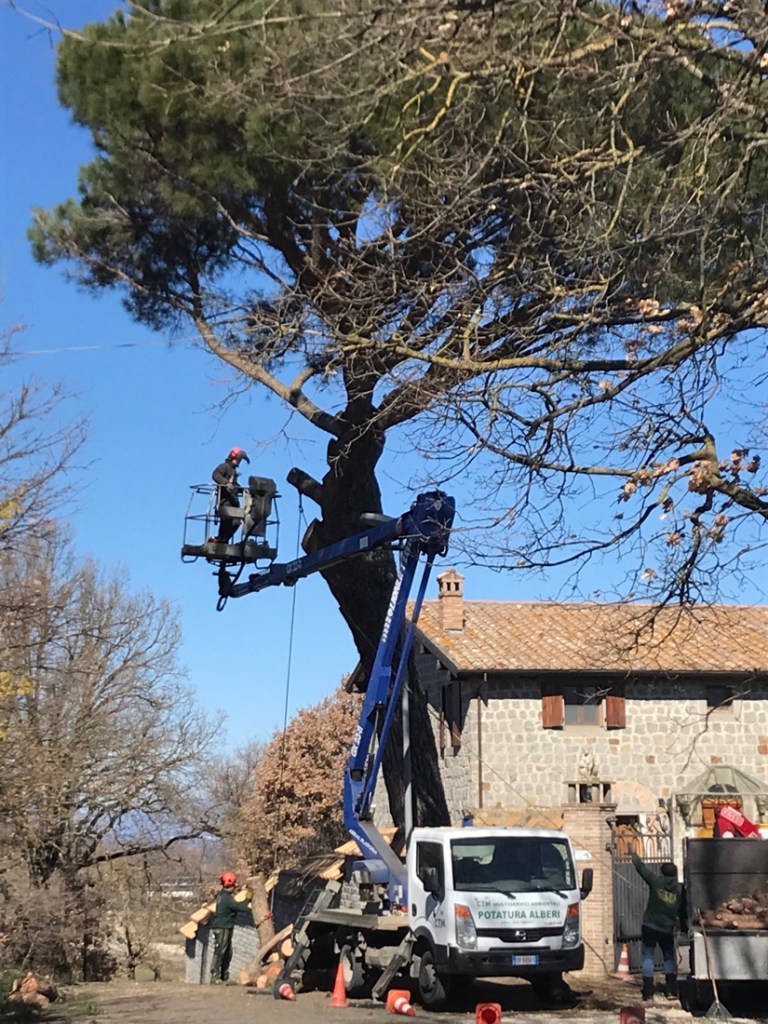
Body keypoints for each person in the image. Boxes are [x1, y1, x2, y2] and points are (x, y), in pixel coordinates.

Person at [631, 850, 685, 1002]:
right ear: (675, 874)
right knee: (669, 957)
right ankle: (671, 991)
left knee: (648, 956)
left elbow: (642, 869)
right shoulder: (680, 890)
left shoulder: (656, 881)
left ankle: (648, 991)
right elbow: (682, 910)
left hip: (650, 925)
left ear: (662, 872)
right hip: (667, 928)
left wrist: (633, 855)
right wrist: (683, 926)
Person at [211, 447, 250, 544]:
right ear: (233, 457)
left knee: (236, 522)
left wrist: (242, 489)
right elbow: (215, 475)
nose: (239, 462)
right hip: (225, 502)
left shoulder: (233, 470)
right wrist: (225, 483)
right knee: (226, 521)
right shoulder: (224, 466)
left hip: (233, 502)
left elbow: (234, 484)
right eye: (239, 459)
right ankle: (221, 540)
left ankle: (223, 540)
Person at [209, 871, 242, 983]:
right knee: (220, 952)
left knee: (227, 952)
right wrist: (248, 899)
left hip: (226, 926)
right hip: (222, 927)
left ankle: (224, 976)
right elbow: (239, 907)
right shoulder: (226, 898)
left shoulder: (222, 896)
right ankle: (215, 976)